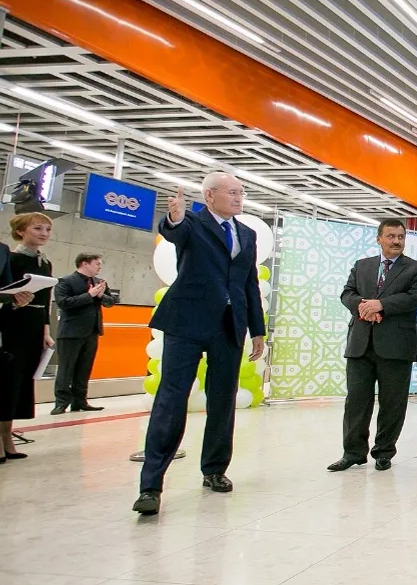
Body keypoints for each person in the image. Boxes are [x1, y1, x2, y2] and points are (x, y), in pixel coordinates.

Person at [133, 175, 266, 514]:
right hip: (186, 323)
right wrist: (174, 218)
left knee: (223, 400)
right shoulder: (191, 223)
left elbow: (249, 283)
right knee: (171, 400)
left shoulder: (246, 234)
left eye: (241, 193)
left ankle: (215, 469)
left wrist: (257, 329)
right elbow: (174, 231)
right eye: (232, 192)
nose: (239, 198)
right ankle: (151, 486)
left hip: (228, 326)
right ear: (209, 195)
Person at [328, 220, 417, 472]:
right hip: (360, 344)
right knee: (356, 401)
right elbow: (347, 293)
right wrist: (363, 306)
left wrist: (381, 305)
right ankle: (353, 453)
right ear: (379, 239)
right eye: (391, 236)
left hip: (396, 346)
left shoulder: (416, 269)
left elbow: (414, 298)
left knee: (392, 403)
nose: (396, 241)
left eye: (400, 237)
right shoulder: (362, 265)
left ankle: (384, 452)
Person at [0, 213, 55, 462]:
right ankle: (3, 437)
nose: (44, 233)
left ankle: (7, 435)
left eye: (47, 229)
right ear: (21, 231)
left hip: (34, 323)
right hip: (12, 322)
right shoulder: (11, 258)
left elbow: (46, 301)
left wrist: (46, 331)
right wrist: (14, 300)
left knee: (22, 382)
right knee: (8, 380)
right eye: (38, 228)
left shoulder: (45, 263)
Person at [51, 253, 114, 414]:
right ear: (85, 264)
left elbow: (111, 302)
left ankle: (80, 401)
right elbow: (64, 303)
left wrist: (101, 296)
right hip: (71, 332)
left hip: (92, 331)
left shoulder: (99, 282)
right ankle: (61, 402)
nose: (100, 267)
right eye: (97, 263)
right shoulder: (65, 281)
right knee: (66, 368)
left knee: (84, 368)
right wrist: (89, 295)